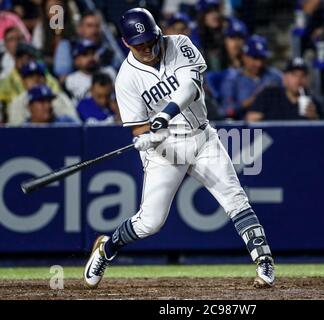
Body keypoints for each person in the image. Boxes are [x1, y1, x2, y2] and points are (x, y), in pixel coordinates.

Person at [84, 7, 275, 289]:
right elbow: (138, 128)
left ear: (158, 33)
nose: (148, 48)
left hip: (202, 138)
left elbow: (190, 87)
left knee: (235, 198)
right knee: (150, 223)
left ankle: (264, 261)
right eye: (140, 45)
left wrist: (164, 115)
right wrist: (146, 138)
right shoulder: (126, 77)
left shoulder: (179, 44)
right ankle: (106, 248)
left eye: (151, 40)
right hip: (164, 150)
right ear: (126, 43)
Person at [220, 35, 282, 119]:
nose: (259, 64)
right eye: (255, 58)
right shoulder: (233, 79)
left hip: (272, 125)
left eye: (262, 58)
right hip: (242, 128)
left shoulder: (275, 76)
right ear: (244, 57)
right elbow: (226, 110)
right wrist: (255, 99)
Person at [247, 57, 320, 121]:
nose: (299, 79)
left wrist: (314, 119)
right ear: (285, 78)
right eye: (294, 74)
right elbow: (250, 119)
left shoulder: (313, 102)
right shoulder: (269, 96)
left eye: (303, 75)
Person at [8, 61, 77, 125]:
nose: (36, 79)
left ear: (46, 79)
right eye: (30, 76)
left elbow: (74, 126)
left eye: (39, 76)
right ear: (23, 82)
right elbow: (15, 130)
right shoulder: (16, 102)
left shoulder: (60, 97)